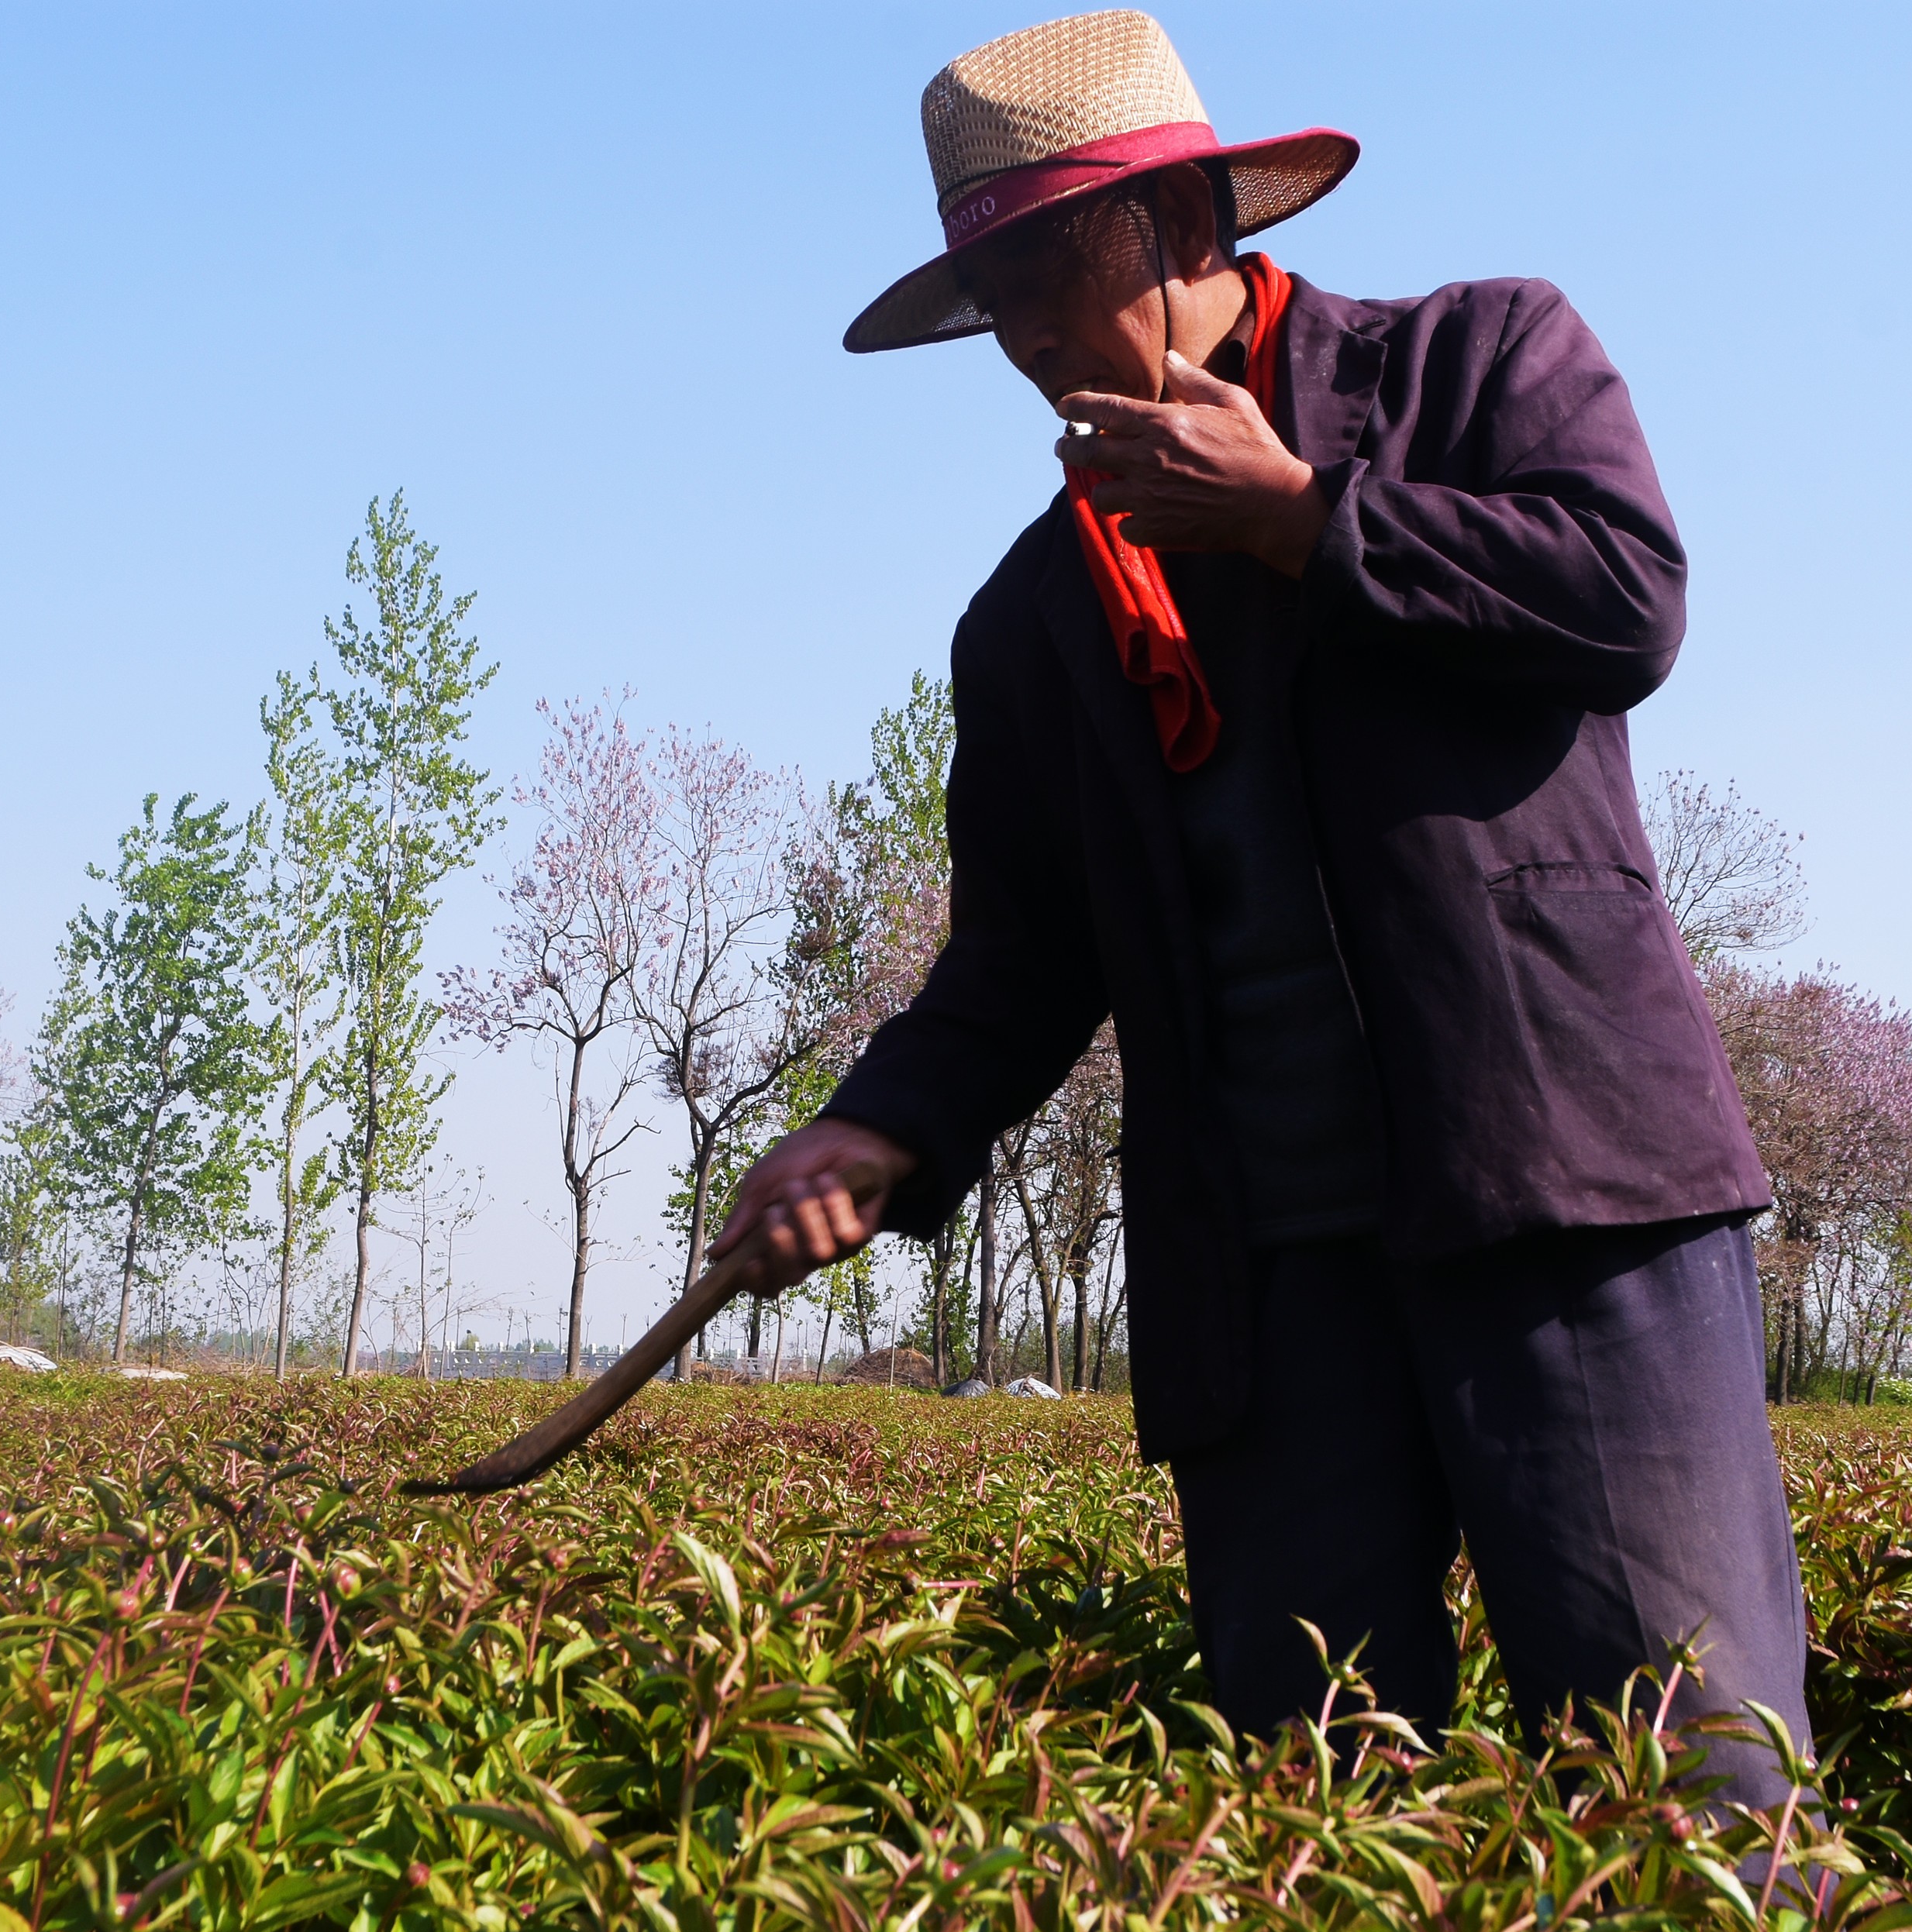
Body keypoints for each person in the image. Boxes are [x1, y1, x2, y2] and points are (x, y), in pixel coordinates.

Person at [711, 9, 1808, 1805]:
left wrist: (1307, 518)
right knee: (1311, 1821)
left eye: (1061, 266)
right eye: (998, 299)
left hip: (1565, 1216)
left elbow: (1627, 606)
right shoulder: (1032, 615)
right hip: (1275, 1285)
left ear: (1195, 227)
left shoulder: (1476, 361)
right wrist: (871, 1126)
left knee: (1699, 1793)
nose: (1036, 335)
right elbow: (1017, 962)